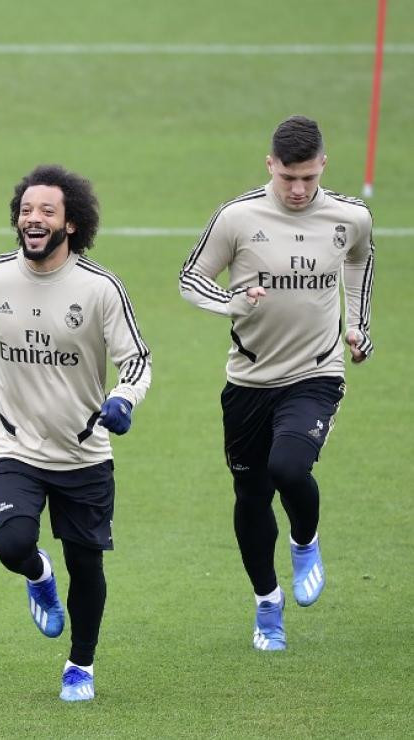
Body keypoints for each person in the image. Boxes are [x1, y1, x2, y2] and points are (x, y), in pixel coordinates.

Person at [0, 165, 151, 702]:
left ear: (71, 224)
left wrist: (123, 399)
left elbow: (138, 360)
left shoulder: (100, 289)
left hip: (83, 452)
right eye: (26, 210)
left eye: (47, 212)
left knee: (86, 563)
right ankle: (37, 572)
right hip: (12, 444)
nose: (33, 220)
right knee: (12, 541)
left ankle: (80, 665)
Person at [178, 115, 375, 652]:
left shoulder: (349, 217)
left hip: (316, 371)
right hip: (248, 380)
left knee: (289, 466)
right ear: (271, 165)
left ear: (323, 167)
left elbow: (360, 261)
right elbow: (190, 278)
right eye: (289, 177)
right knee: (251, 493)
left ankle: (305, 541)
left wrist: (357, 325)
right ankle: (267, 602)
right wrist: (231, 303)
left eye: (309, 178)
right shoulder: (238, 218)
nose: (298, 189)